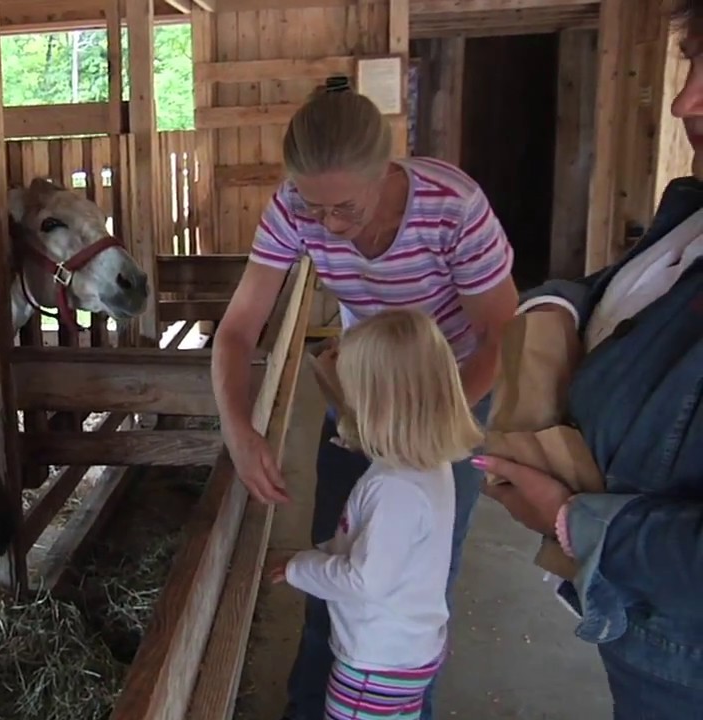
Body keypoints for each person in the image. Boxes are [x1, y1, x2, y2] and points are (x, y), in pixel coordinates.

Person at [209, 83, 519, 720]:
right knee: (337, 552)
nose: (331, 227)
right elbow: (239, 328)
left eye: (345, 208)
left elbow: (502, 335)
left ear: (386, 171)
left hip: (449, 388)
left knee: (412, 584)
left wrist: (427, 426)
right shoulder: (296, 207)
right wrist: (238, 429)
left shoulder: (452, 207)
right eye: (314, 209)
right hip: (363, 392)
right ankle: (312, 707)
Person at [477, 1, 703, 715]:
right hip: (646, 638)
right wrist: (555, 308)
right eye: (694, 60)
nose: (683, 99)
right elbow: (614, 294)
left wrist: (575, 521)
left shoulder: (451, 205)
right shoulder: (691, 217)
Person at [269, 308, 483, 720]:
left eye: (353, 396)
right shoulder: (427, 464)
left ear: (381, 407)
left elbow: (365, 581)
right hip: (405, 652)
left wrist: (300, 567)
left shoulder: (396, 489)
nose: (345, 407)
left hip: (375, 664)